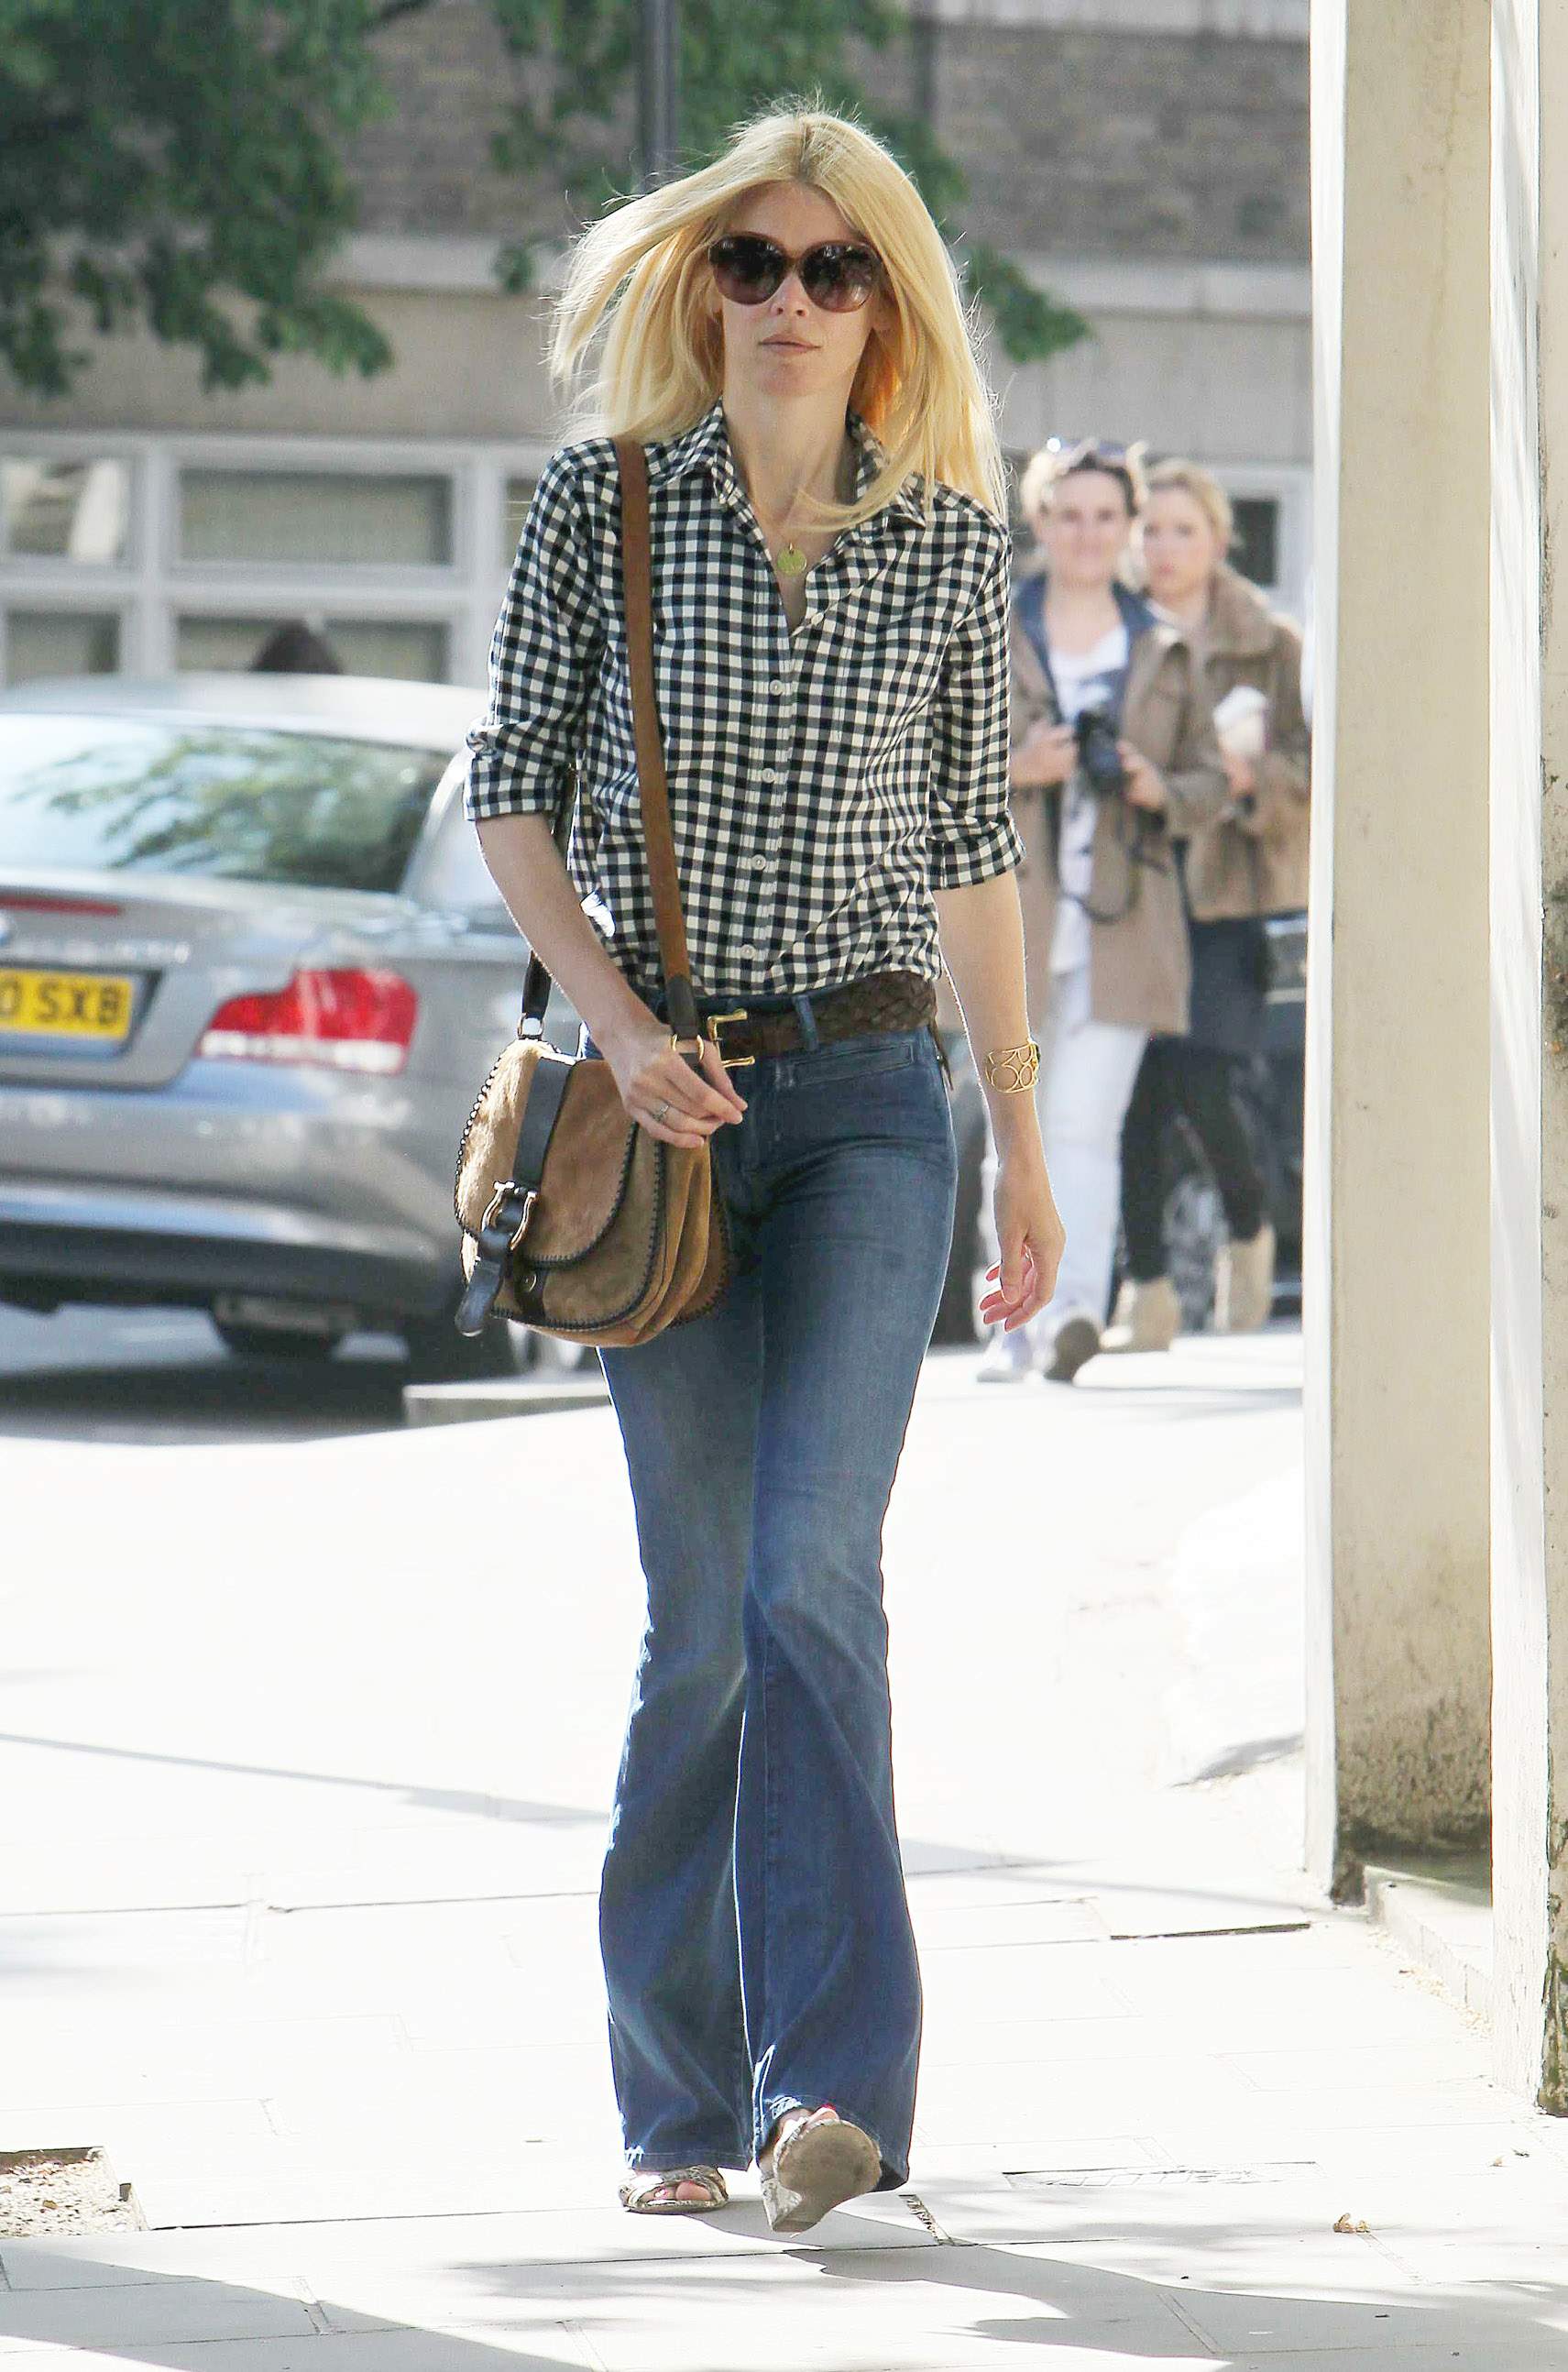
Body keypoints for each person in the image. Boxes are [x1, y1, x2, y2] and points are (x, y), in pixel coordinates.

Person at [464, 104, 1065, 2233]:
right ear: (697, 292)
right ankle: (674, 2096)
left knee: (814, 1569)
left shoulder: (945, 544)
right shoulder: (602, 504)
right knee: (703, 1617)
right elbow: (509, 788)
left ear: (886, 309)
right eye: (751, 264)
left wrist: (1022, 1139)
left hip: (875, 1102)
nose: (789, 300)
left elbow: (974, 854)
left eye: (832, 268)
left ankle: (835, 2087)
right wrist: (616, 1025)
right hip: (666, 1119)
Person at [979, 439, 1226, 1384]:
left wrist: (1155, 785)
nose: (1087, 534)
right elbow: (922, 762)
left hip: (1126, 925)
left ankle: (1073, 1310)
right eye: (1069, 514)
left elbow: (1209, 783)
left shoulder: (1163, 642)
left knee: (1085, 1125)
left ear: (1128, 527)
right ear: (1040, 521)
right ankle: (1009, 1323)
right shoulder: (991, 626)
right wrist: (1020, 767)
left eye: (1106, 517)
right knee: (1015, 1127)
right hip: (1009, 920)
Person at [1106, 459, 1310, 1350]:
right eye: (1150, 529)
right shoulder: (1112, 631)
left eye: (1183, 530)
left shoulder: (1269, 644)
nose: (1164, 547)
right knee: (1135, 1093)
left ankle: (1248, 1223)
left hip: (1226, 892)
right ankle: (1146, 1290)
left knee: (1199, 1070)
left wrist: (1246, 773)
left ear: (1218, 540)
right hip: (1134, 887)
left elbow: (1309, 770)